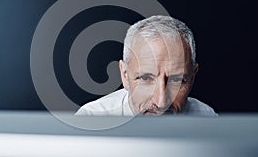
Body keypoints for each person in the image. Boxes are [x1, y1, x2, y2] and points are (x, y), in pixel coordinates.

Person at [76, 15, 217, 116]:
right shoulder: (90, 120)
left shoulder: (207, 118)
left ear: (192, 77)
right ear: (125, 75)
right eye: (145, 79)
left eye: (176, 80)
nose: (161, 102)